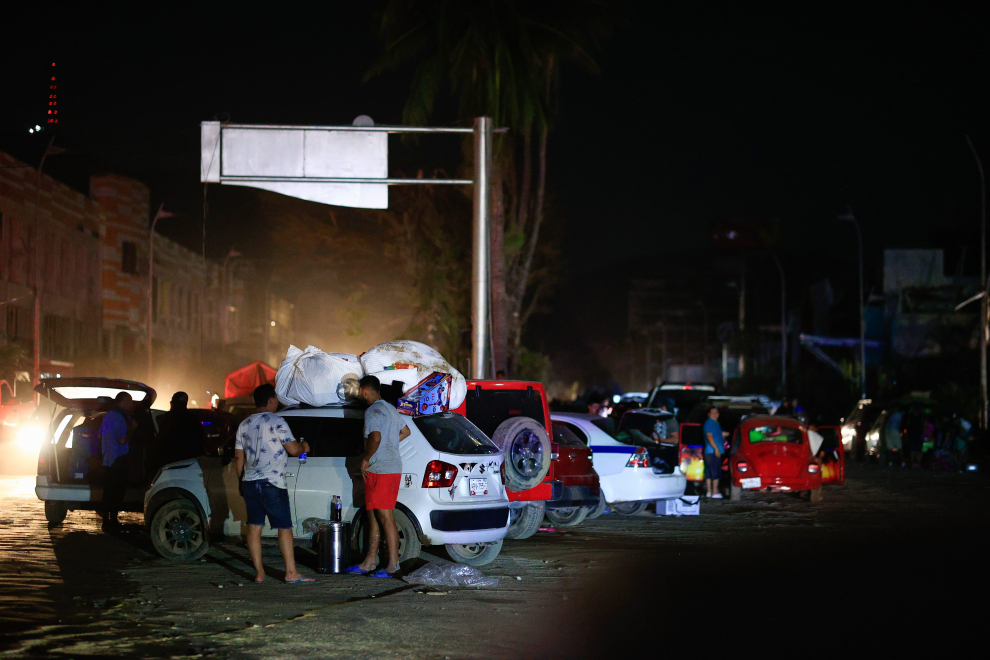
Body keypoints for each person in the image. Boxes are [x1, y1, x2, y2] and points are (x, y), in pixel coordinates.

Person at [234, 384, 314, 584]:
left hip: (250, 482)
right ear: (270, 400)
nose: (277, 402)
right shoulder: (277, 421)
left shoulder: (244, 424)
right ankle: (291, 573)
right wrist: (305, 446)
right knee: (284, 527)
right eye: (276, 399)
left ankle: (259, 573)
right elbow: (295, 450)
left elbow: (238, 457)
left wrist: (240, 482)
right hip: (273, 482)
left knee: (254, 527)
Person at [348, 375, 410, 578]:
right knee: (373, 514)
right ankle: (369, 561)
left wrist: (366, 458)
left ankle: (393, 565)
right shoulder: (390, 409)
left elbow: (375, 437)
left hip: (381, 470)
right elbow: (406, 431)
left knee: (384, 516)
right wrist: (389, 445)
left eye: (360, 391)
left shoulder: (372, 411)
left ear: (365, 390)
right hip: (389, 467)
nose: (359, 395)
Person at [100, 392, 137, 532]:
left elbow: (100, 435)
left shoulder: (108, 415)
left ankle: (106, 521)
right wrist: (132, 429)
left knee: (108, 492)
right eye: (130, 401)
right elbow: (122, 439)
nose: (131, 405)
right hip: (118, 459)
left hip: (108, 459)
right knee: (117, 492)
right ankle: (113, 521)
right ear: (123, 401)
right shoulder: (120, 417)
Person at [155, 392, 207, 466]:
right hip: (189, 461)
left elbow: (162, 438)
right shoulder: (192, 418)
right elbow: (202, 439)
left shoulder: (169, 417)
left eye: (174, 402)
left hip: (172, 460)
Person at [702, 406, 724, 499]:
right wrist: (716, 449)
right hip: (712, 452)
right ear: (709, 414)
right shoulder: (709, 423)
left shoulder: (716, 423)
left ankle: (709, 492)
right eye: (713, 413)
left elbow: (718, 434)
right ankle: (715, 492)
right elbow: (709, 437)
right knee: (715, 471)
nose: (715, 414)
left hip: (711, 452)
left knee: (709, 471)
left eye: (716, 413)